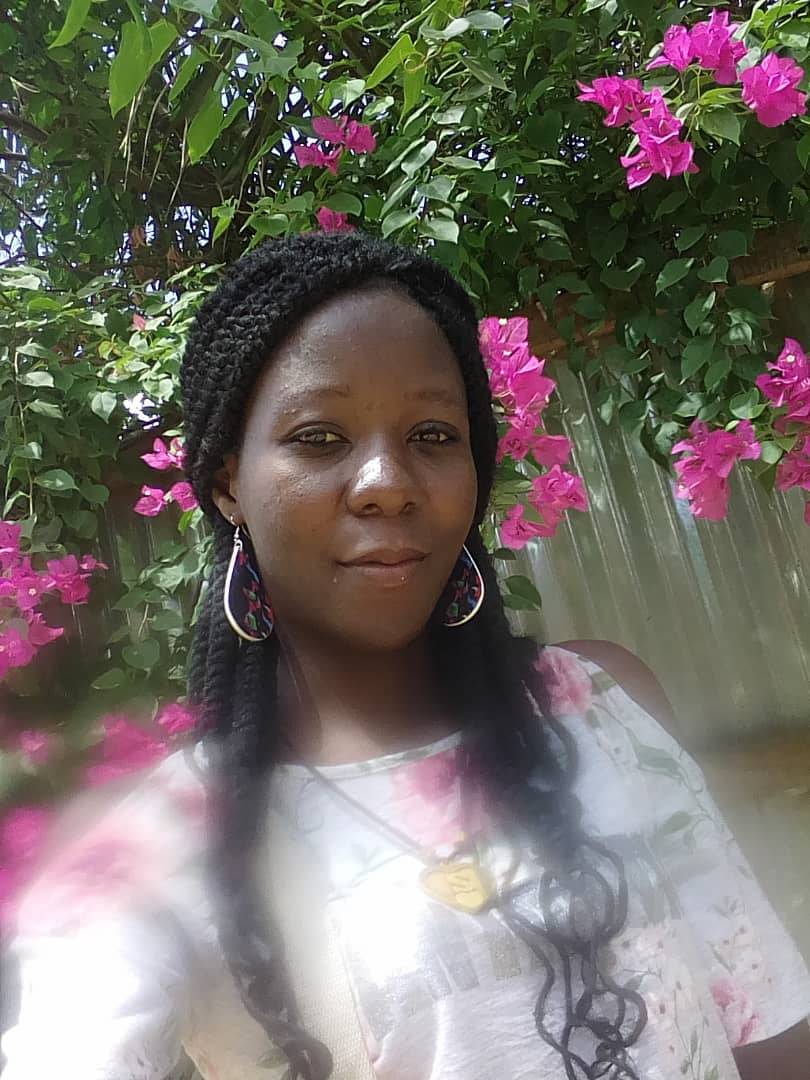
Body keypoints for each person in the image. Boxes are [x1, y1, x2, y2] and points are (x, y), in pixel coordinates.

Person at [2, 231, 810, 1080]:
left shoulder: (600, 706)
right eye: (320, 437)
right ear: (230, 482)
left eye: (432, 433)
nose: (388, 481)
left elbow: (767, 1024)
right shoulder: (159, 850)